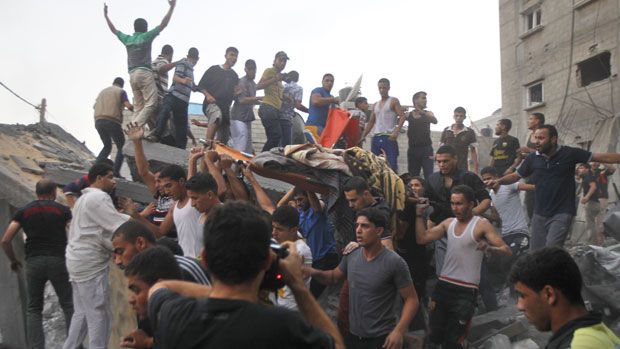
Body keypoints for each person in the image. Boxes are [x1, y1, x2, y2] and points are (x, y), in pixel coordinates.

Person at [146, 201, 344, 348]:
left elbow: (160, 287)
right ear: (267, 261)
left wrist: (220, 293)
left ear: (204, 259)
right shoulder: (282, 327)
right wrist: (297, 284)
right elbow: (335, 344)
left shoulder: (174, 315)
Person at [485, 124, 620, 250]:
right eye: (535, 138)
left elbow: (602, 157)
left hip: (562, 212)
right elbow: (515, 176)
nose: (537, 141)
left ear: (553, 139)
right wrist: (499, 181)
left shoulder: (569, 153)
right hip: (539, 214)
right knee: (536, 253)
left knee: (551, 250)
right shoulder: (533, 158)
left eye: (541, 138)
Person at [307, 207, 419, 349]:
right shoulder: (352, 255)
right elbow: (334, 277)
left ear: (378, 231)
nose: (358, 230)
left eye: (365, 226)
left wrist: (399, 331)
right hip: (353, 336)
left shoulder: (394, 262)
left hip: (381, 338)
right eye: (357, 225)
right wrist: (310, 272)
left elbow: (411, 299)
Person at [415, 185, 512, 348]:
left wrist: (489, 248)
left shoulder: (481, 224)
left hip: (466, 291)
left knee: (454, 340)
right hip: (444, 286)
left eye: (459, 203)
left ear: (471, 204)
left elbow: (506, 251)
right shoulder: (448, 223)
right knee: (434, 336)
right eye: (453, 203)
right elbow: (422, 239)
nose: (455, 208)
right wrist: (418, 214)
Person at [63, 162, 143, 349]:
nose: (113, 182)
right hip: (89, 264)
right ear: (98, 179)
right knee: (99, 314)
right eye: (109, 177)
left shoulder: (83, 199)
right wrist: (138, 216)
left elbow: (102, 230)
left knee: (82, 313)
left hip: (77, 262)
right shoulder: (97, 198)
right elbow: (117, 225)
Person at [1, 179, 74, 349]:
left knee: (33, 309)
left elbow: (5, 240)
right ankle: (74, 344)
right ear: (54, 192)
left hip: (34, 262)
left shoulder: (24, 211)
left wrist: (13, 261)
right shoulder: (62, 210)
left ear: (37, 192)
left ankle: (36, 346)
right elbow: (75, 232)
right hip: (58, 261)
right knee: (68, 304)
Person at [509, 247, 620, 349]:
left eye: (523, 296)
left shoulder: (579, 345)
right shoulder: (596, 330)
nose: (519, 306)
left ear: (549, 294)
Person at [104, 0, 176, 128]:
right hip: (144, 73)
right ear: (146, 28)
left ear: (134, 28)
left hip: (132, 75)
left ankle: (132, 125)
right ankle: (136, 126)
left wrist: (106, 16)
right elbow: (163, 24)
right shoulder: (146, 36)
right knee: (152, 103)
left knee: (138, 106)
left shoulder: (128, 39)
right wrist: (172, 8)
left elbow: (114, 30)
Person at [426, 145, 491, 274]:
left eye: (445, 161)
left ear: (455, 159)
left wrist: (469, 215)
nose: (442, 164)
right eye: (439, 162)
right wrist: (430, 231)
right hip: (443, 234)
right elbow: (431, 207)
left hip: (469, 232)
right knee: (443, 274)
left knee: (477, 274)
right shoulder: (433, 179)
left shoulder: (469, 177)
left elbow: (486, 200)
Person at [278, 188, 337, 299]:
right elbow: (280, 206)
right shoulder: (300, 215)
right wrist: (295, 186)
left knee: (308, 296)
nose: (299, 203)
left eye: (301, 199)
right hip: (314, 260)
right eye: (297, 200)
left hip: (326, 258)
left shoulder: (317, 208)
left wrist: (306, 186)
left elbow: (317, 208)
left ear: (308, 198)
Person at [121, 246, 183, 349]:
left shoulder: (187, 324)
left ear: (160, 289)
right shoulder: (148, 319)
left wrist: (148, 343)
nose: (130, 300)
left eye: (137, 290)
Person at [112, 220, 210, 285]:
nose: (118, 262)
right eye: (114, 256)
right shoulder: (142, 279)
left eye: (120, 251)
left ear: (140, 243)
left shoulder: (184, 269)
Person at [124, 122, 177, 238]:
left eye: (160, 181)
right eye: (156, 181)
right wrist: (137, 142)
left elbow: (162, 232)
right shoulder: (161, 195)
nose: (156, 185)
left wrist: (137, 216)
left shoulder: (180, 199)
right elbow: (143, 171)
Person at [150, 165, 204, 257]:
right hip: (183, 259)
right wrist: (137, 216)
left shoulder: (193, 200)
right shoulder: (174, 207)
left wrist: (193, 160)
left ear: (181, 181)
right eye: (164, 187)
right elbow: (160, 232)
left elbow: (192, 181)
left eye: (169, 186)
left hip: (199, 260)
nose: (166, 191)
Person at [151, 47, 200, 149]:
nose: (193, 62)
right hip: (174, 96)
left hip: (183, 101)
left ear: (197, 60)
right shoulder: (183, 63)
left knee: (182, 125)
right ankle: (156, 134)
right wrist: (183, 81)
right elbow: (175, 77)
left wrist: (201, 89)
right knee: (165, 111)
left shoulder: (191, 70)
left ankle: (180, 147)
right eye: (192, 59)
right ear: (188, 57)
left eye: (194, 60)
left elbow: (193, 86)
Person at [271, 205, 313, 311]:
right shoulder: (285, 238)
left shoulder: (301, 251)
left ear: (294, 230)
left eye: (279, 229)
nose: (273, 233)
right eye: (273, 227)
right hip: (278, 301)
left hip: (292, 308)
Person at [197, 47, 240, 143]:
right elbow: (200, 86)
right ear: (225, 56)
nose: (234, 58)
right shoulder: (213, 69)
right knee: (217, 116)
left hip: (225, 110)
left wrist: (236, 94)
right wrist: (208, 95)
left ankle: (216, 154)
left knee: (224, 140)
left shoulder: (235, 76)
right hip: (211, 104)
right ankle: (207, 145)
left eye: (236, 56)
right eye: (232, 55)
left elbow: (232, 96)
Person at [362, 78, 407, 171]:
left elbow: (402, 116)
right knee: (375, 165)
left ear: (388, 88)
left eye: (384, 88)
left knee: (391, 165)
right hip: (376, 137)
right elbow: (371, 122)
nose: (382, 90)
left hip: (388, 137)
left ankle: (393, 184)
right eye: (380, 88)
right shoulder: (375, 105)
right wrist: (363, 136)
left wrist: (396, 132)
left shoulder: (393, 101)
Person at [94, 77, 134, 177]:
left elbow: (94, 106)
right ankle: (115, 172)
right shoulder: (121, 91)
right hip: (112, 121)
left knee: (107, 146)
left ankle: (95, 168)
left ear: (113, 82)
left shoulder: (102, 92)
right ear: (122, 85)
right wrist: (137, 109)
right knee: (122, 146)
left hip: (98, 121)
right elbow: (128, 106)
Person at [480, 167, 533, 237]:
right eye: (484, 180)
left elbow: (532, 187)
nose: (487, 181)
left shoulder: (508, 185)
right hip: (506, 233)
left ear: (496, 177)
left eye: (489, 178)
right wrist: (480, 213)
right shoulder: (491, 194)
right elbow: (496, 218)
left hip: (520, 230)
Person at [257, 51, 289, 151]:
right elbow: (258, 86)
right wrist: (275, 78)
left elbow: (277, 93)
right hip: (268, 107)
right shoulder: (270, 71)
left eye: (284, 61)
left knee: (273, 138)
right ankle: (260, 159)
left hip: (274, 110)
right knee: (276, 135)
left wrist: (286, 98)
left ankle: (265, 161)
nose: (283, 63)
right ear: (274, 61)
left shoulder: (279, 77)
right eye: (280, 60)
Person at [516, 112, 545, 221]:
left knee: (538, 198)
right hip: (529, 171)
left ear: (537, 121)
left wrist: (529, 150)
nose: (528, 121)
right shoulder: (529, 135)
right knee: (528, 201)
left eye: (531, 118)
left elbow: (546, 152)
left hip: (541, 170)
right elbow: (531, 154)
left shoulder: (544, 132)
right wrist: (523, 155)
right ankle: (532, 225)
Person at [230, 59, 261, 154]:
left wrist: (264, 102)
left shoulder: (253, 84)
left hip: (247, 118)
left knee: (247, 150)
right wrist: (260, 98)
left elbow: (253, 100)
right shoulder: (242, 81)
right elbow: (242, 100)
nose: (252, 71)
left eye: (254, 69)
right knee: (241, 147)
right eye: (250, 69)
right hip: (238, 118)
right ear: (245, 69)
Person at [407, 91, 437, 178]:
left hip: (426, 150)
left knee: (429, 176)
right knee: (413, 176)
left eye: (425, 98)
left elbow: (435, 121)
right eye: (423, 98)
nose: (425, 100)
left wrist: (422, 112)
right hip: (413, 150)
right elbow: (398, 119)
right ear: (415, 100)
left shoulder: (428, 113)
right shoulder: (409, 115)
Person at [440, 107, 478, 173]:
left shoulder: (469, 132)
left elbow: (473, 151)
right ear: (453, 116)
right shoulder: (446, 130)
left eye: (461, 116)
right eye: (456, 115)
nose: (458, 118)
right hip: (447, 166)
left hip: (462, 166)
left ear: (464, 117)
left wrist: (475, 169)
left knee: (462, 183)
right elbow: (441, 149)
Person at [281, 71, 309, 146]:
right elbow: (298, 106)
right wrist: (309, 111)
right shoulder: (298, 88)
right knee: (286, 145)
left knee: (278, 144)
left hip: (277, 116)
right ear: (297, 79)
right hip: (287, 117)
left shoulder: (282, 86)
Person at [577, 163, 601, 244]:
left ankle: (592, 244)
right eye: (579, 168)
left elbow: (593, 186)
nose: (579, 169)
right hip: (595, 203)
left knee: (590, 225)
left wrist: (586, 197)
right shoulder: (587, 176)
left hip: (591, 203)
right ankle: (595, 242)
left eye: (582, 168)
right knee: (592, 224)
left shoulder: (588, 176)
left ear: (587, 169)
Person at [592, 162, 615, 241]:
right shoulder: (587, 172)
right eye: (592, 162)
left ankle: (600, 241)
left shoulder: (602, 172)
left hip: (601, 198)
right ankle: (593, 241)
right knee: (592, 222)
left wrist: (603, 161)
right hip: (590, 200)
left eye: (595, 162)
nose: (594, 163)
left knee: (600, 221)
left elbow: (612, 169)